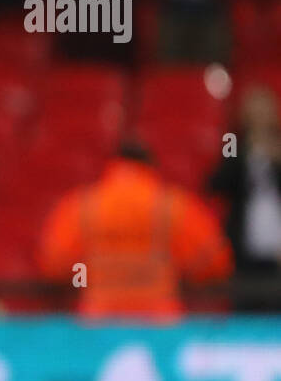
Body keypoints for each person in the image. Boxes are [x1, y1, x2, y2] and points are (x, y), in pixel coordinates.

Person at [39, 141, 232, 319]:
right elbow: (214, 263)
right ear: (150, 166)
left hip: (99, 319)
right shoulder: (173, 205)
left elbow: (54, 265)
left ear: (113, 165)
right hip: (159, 318)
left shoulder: (81, 206)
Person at [208, 86, 281, 310]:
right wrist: (246, 155)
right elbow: (217, 182)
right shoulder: (234, 141)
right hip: (244, 238)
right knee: (245, 303)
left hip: (276, 237)